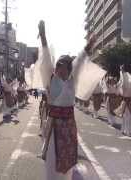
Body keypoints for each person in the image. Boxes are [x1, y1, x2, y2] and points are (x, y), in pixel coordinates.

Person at [37, 20, 98, 180]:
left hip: (68, 125)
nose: (61, 68)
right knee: (52, 161)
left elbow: (80, 60)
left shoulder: (72, 80)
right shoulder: (50, 77)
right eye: (59, 65)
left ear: (69, 69)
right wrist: (43, 37)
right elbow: (45, 59)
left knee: (67, 162)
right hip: (54, 125)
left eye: (65, 65)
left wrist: (89, 45)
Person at [120, 65, 131, 136]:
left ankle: (127, 131)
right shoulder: (125, 80)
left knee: (128, 116)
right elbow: (123, 83)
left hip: (128, 101)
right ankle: (125, 130)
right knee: (125, 116)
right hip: (126, 100)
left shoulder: (128, 80)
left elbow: (125, 83)